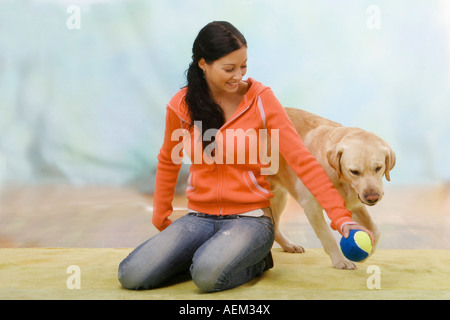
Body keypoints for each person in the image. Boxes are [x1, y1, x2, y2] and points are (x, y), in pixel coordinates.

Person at [118, 21, 373, 293]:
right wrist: (161, 213)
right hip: (198, 218)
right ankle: (214, 255)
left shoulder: (261, 100)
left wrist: (341, 218)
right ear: (203, 64)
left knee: (206, 276)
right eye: (229, 69)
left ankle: (258, 259)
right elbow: (169, 159)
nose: (238, 75)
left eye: (244, 67)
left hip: (251, 219)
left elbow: (303, 161)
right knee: (132, 275)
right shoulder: (181, 104)